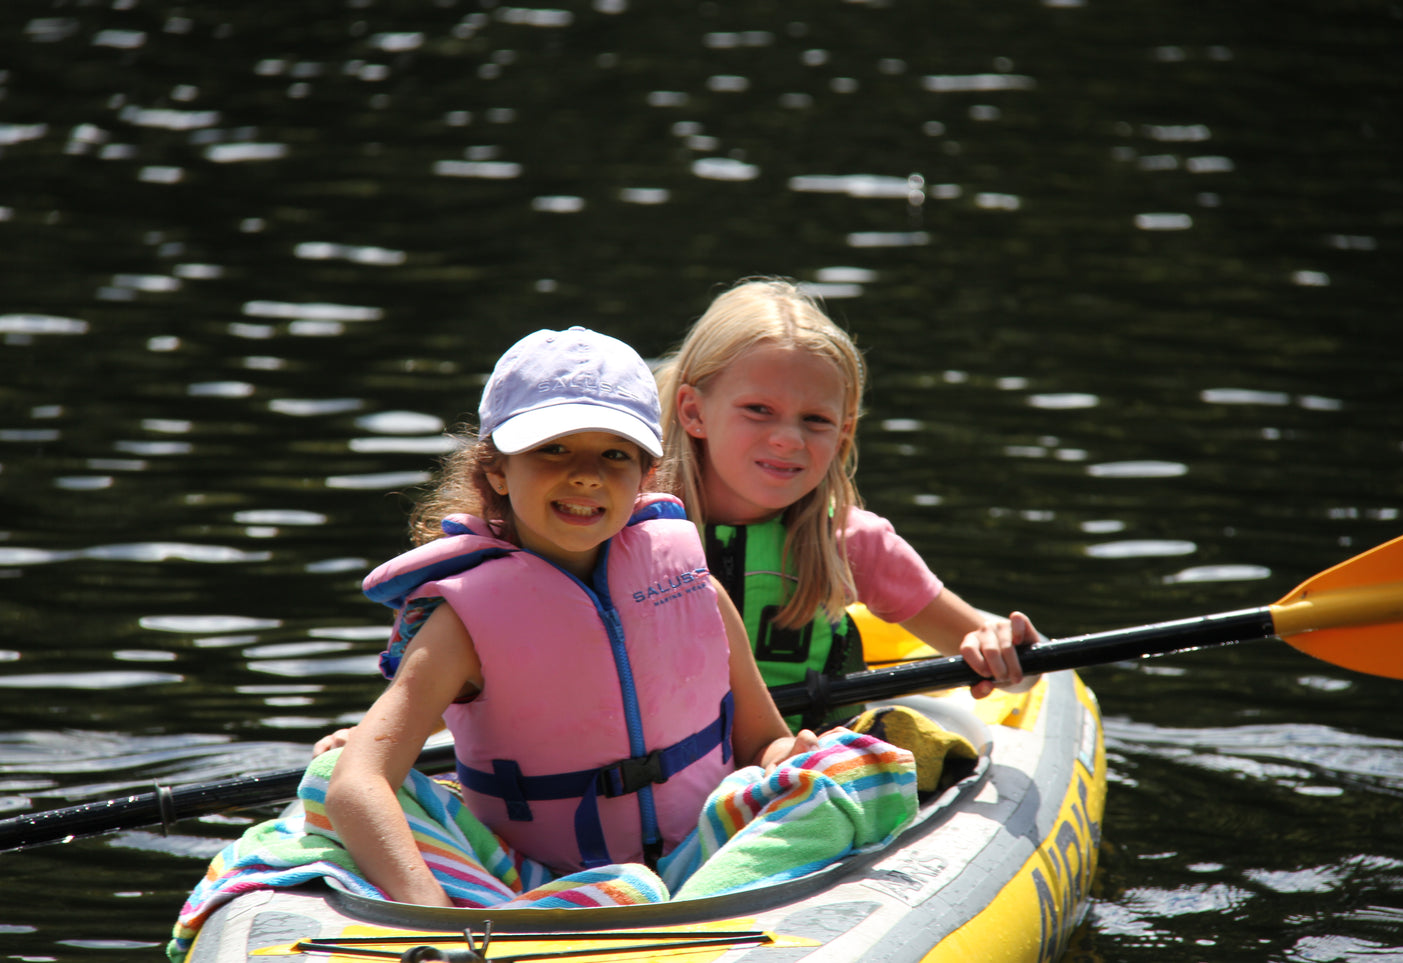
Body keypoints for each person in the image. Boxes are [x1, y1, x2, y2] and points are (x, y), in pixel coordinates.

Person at [326, 326, 815, 905]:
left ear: (644, 479)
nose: (586, 474)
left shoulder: (689, 579)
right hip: (541, 881)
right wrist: (434, 915)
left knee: (854, 768)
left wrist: (792, 759)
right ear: (497, 472)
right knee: (324, 772)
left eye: (614, 454)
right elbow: (358, 782)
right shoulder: (462, 622)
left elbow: (763, 739)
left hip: (702, 857)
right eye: (552, 448)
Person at [654, 278, 1038, 730]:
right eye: (758, 409)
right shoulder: (623, 524)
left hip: (807, 769)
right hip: (671, 775)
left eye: (815, 420)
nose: (787, 438)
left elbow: (1004, 667)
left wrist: (1006, 651)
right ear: (694, 412)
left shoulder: (853, 543)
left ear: (842, 436)